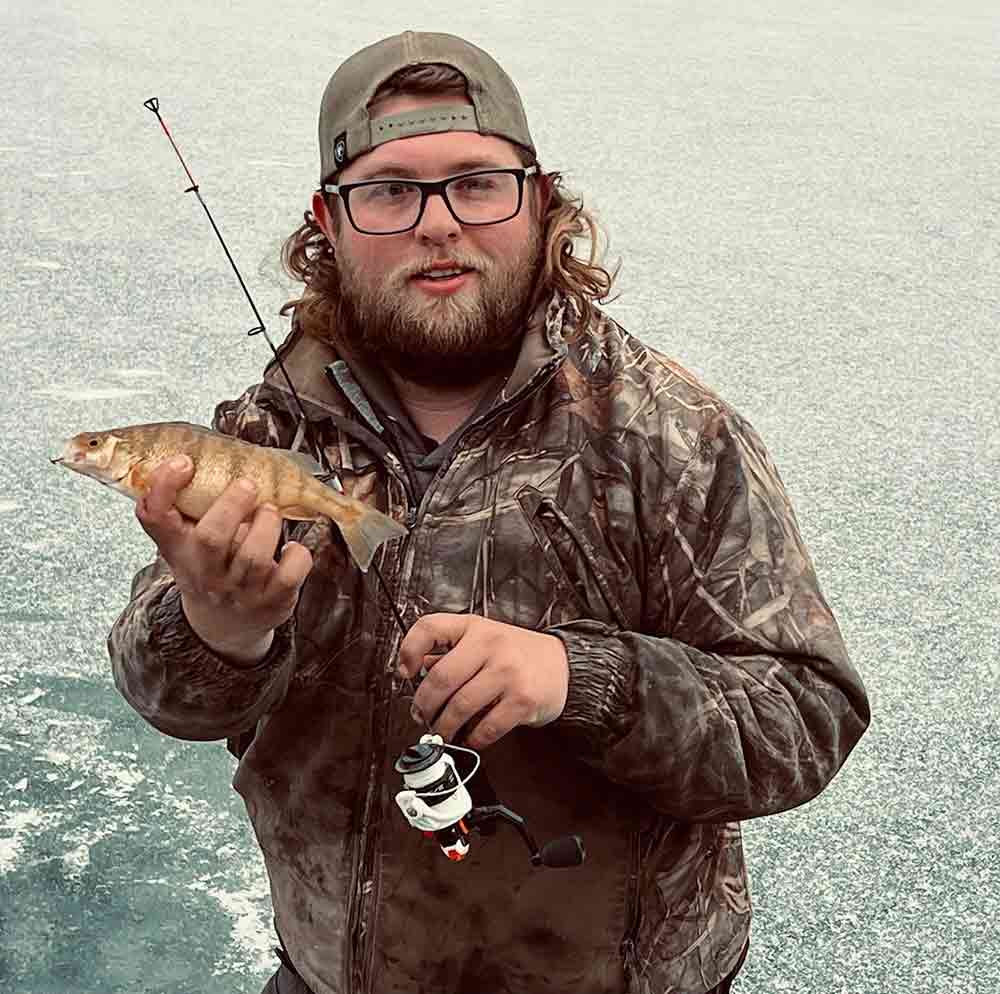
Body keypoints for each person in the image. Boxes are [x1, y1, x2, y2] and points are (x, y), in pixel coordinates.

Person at [108, 30, 871, 994]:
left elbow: (805, 720)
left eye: (477, 182)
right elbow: (164, 698)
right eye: (388, 190)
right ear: (328, 223)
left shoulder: (672, 437)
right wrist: (216, 630)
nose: (438, 224)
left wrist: (578, 676)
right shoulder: (263, 434)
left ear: (539, 200)